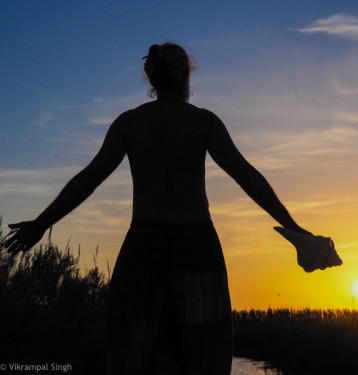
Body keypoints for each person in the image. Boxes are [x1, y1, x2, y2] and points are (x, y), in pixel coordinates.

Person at [3, 42, 339, 375]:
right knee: (203, 354)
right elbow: (247, 177)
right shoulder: (203, 122)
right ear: (185, 76)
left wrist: (41, 223)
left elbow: (88, 179)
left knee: (132, 354)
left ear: (152, 78)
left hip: (143, 248)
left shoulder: (129, 123)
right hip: (197, 249)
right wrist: (295, 230)